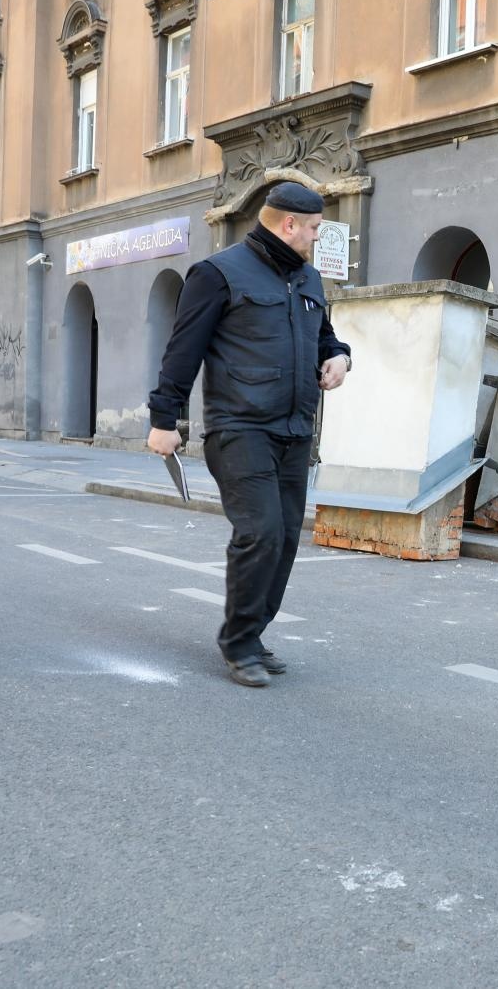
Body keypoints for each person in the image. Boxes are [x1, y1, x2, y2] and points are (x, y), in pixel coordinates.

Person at [147, 182, 351, 688]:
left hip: (295, 429)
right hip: (239, 427)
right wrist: (163, 419)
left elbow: (324, 335)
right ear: (289, 225)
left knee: (284, 539)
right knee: (260, 532)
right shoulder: (218, 274)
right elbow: (183, 350)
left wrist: (340, 356)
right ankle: (238, 644)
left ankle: (252, 633)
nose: (317, 236)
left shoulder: (308, 278)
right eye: (314, 228)